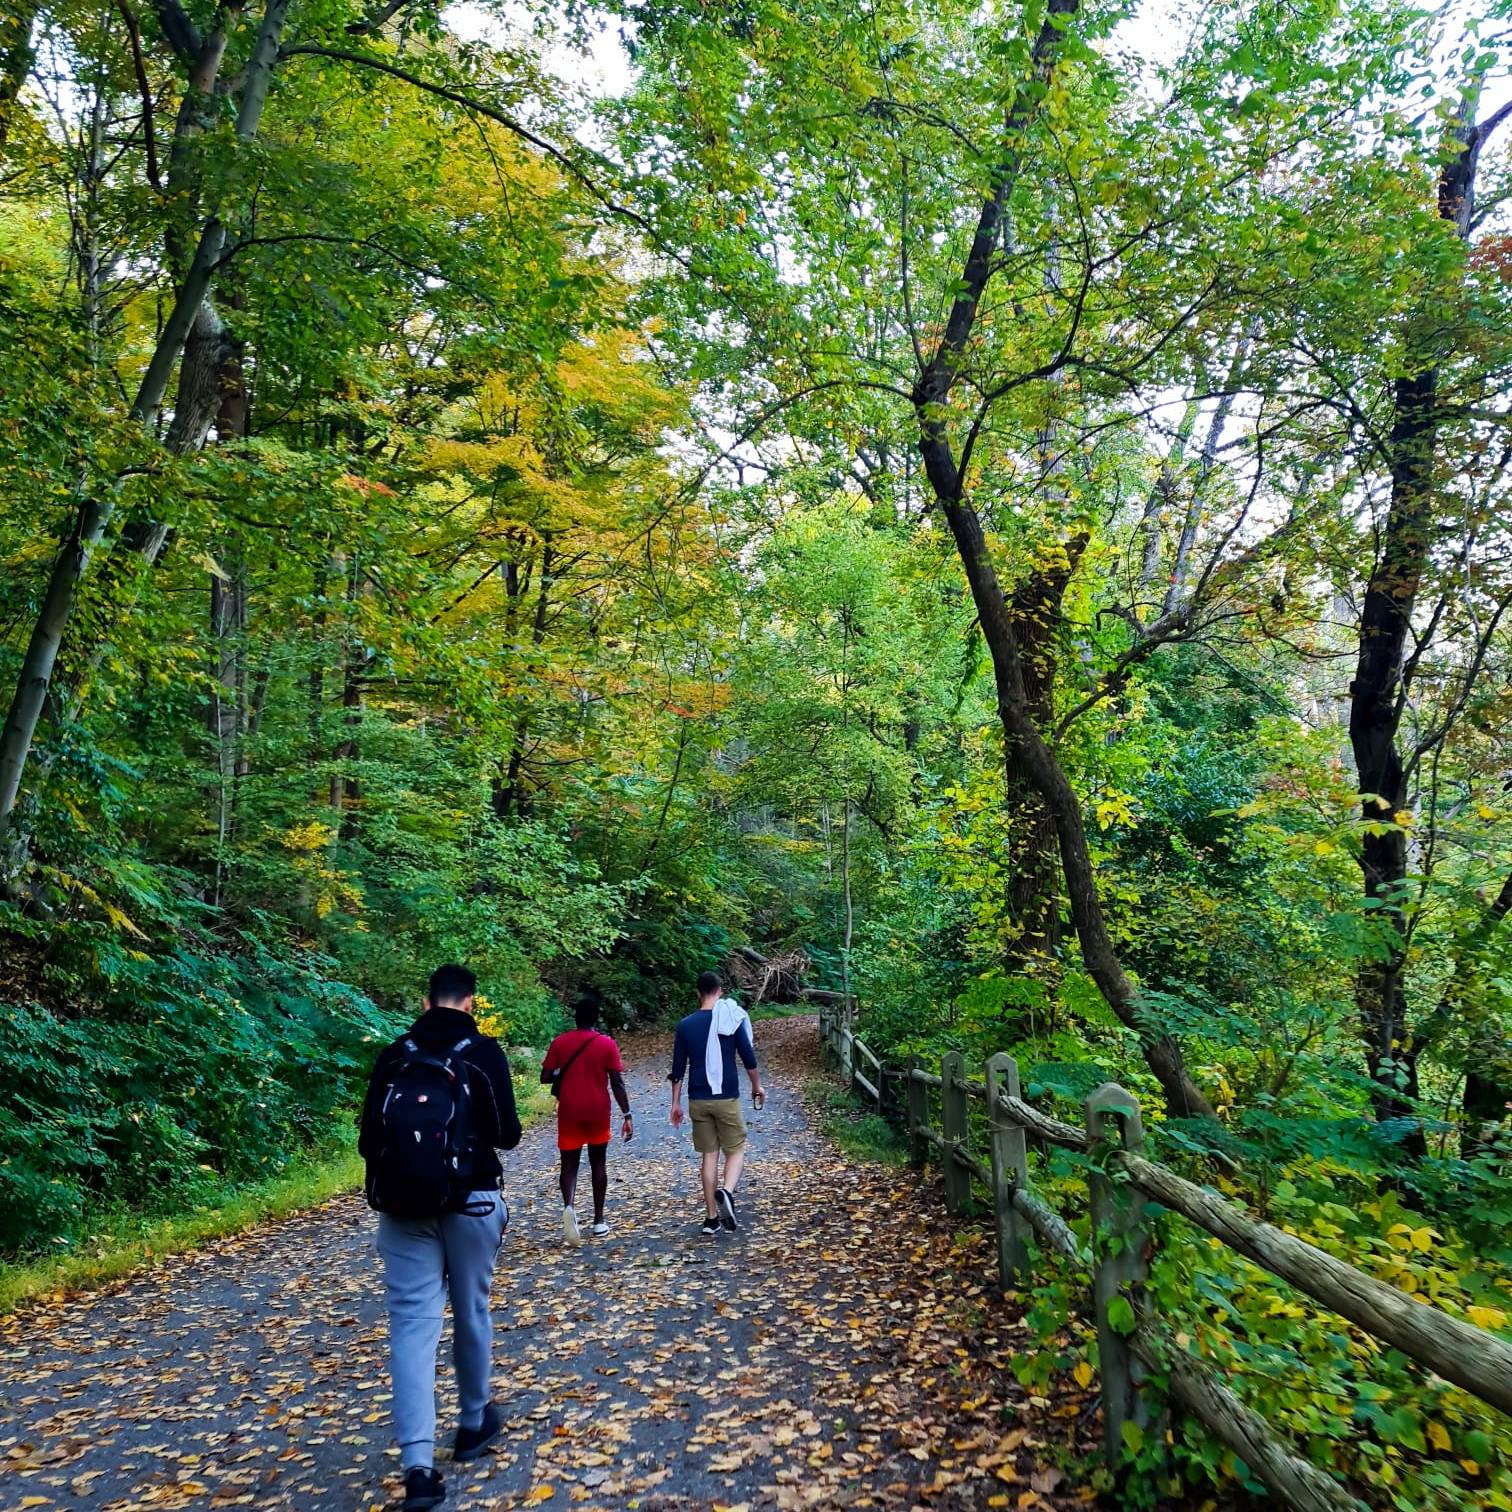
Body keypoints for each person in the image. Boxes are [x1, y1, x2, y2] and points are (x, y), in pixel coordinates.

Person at [359, 963, 522, 1512]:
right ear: (470, 1003)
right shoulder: (483, 1053)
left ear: (425, 1002)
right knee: (471, 1308)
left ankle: (419, 1469)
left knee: (411, 1325)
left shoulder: (395, 1055)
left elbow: (368, 1143)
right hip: (473, 1200)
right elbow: (508, 1135)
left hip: (404, 1207)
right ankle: (473, 1423)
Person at [669, 970, 765, 1236]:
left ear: (698, 993)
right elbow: (748, 1057)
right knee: (736, 1149)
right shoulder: (729, 1020)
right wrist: (757, 1086)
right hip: (726, 1096)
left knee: (709, 1156)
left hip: (698, 1099)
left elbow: (678, 1069)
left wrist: (675, 1103)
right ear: (719, 991)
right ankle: (727, 1192)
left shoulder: (685, 1025)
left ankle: (711, 1218)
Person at [540, 995, 633, 1245]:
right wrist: (627, 1114)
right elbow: (617, 1082)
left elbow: (545, 1077)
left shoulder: (560, 1042)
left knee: (569, 1165)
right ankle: (599, 1220)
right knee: (598, 1163)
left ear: (576, 1018)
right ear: (596, 1018)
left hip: (569, 1110)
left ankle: (569, 1206)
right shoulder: (607, 1044)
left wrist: (563, 1072)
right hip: (597, 1111)